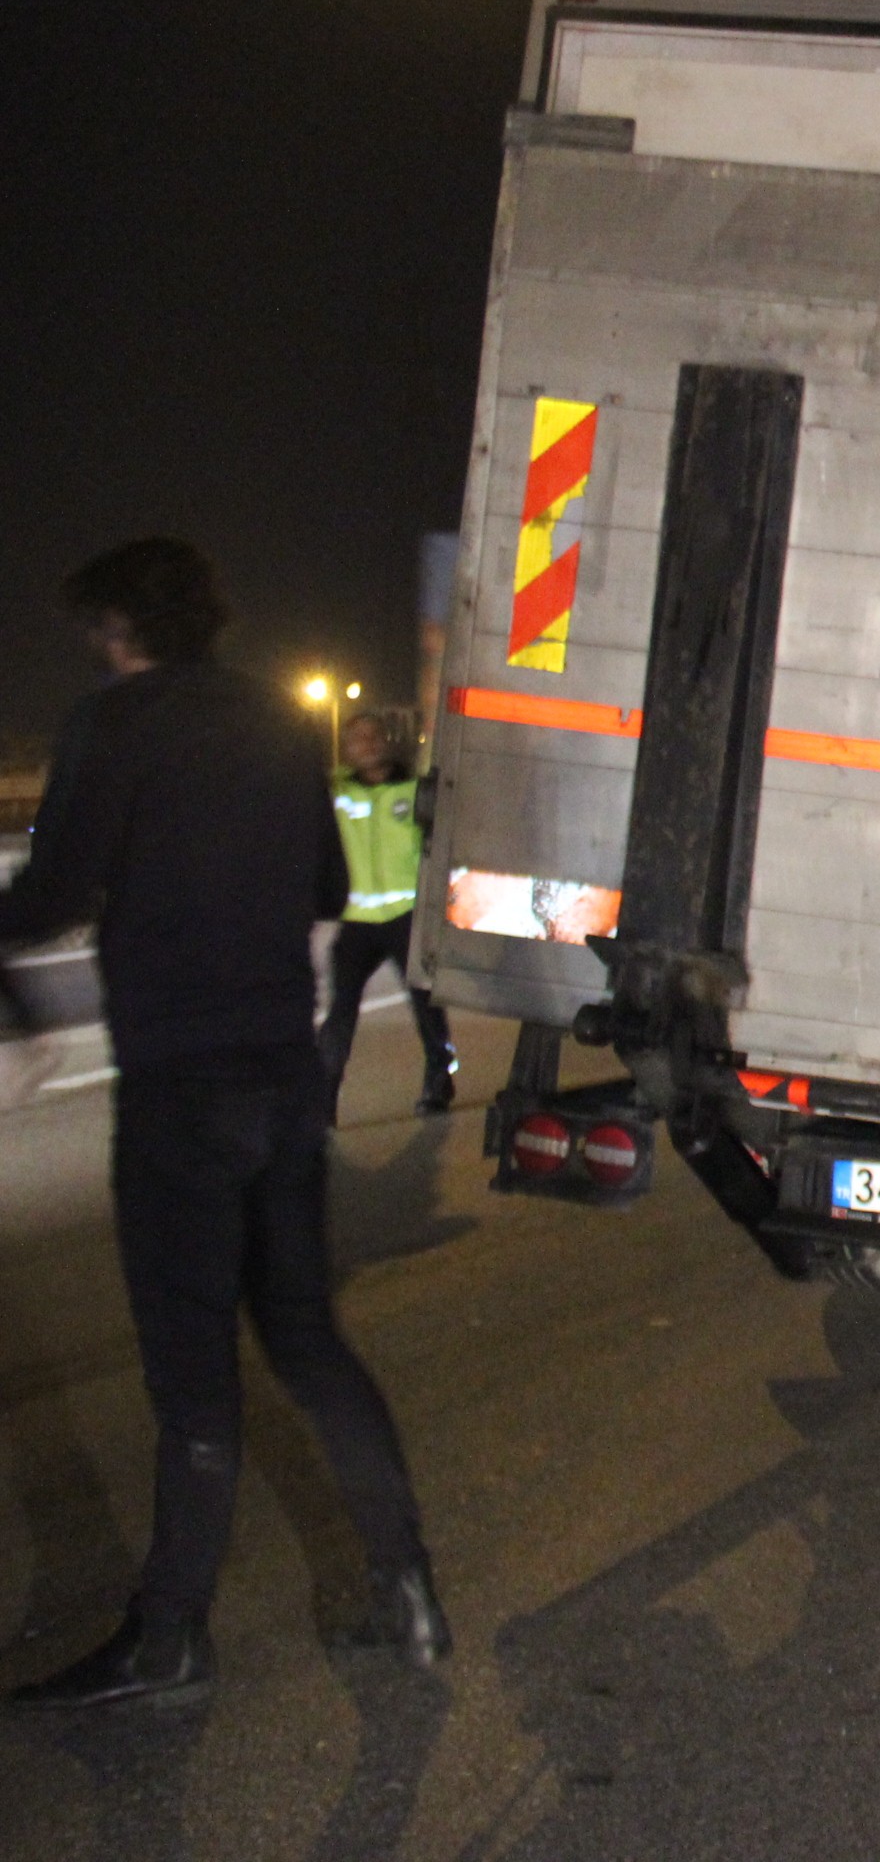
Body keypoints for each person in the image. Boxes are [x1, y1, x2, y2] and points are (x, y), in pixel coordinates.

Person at [0, 540, 447, 1711]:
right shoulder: (267, 719)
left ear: (118, 628)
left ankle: (170, 1639)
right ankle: (406, 1589)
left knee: (193, 1375)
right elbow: (327, 888)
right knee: (305, 1336)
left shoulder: (113, 723)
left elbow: (50, 895)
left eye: (97, 630)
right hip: (281, 1076)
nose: (94, 649)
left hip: (180, 1089)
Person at [320, 713, 456, 1114]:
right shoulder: (338, 793)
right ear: (347, 749)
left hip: (405, 917)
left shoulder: (414, 791)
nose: (367, 745)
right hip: (357, 922)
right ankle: (323, 1100)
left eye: (373, 736)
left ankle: (439, 1080)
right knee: (340, 1011)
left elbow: (440, 845)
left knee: (426, 1004)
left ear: (387, 742)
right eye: (357, 739)